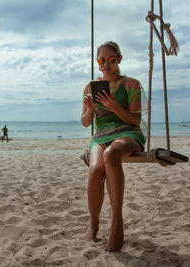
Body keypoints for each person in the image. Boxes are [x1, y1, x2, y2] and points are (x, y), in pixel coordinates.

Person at [81, 41, 146, 252]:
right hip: (100, 135)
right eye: (102, 60)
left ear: (119, 59)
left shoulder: (132, 85)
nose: (106, 64)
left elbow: (135, 121)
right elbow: (84, 121)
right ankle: (94, 222)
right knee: (94, 170)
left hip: (127, 133)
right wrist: (90, 110)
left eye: (111, 60)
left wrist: (114, 107)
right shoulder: (90, 87)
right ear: (97, 63)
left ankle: (117, 223)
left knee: (111, 155)